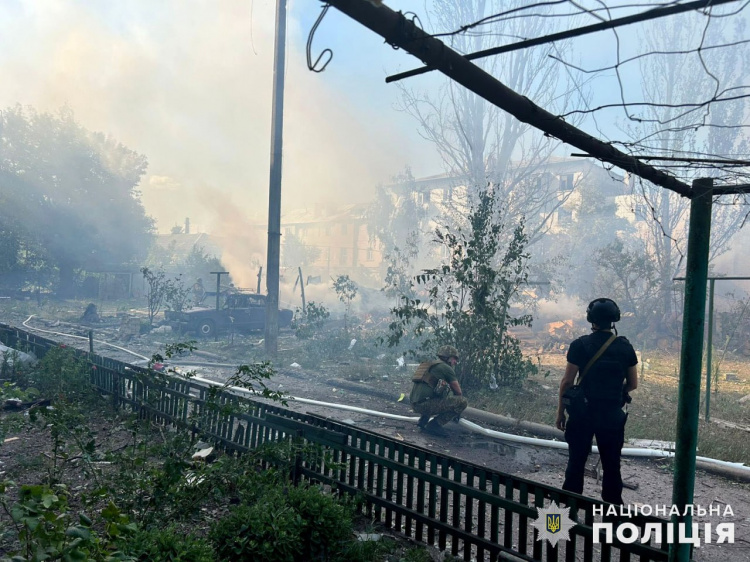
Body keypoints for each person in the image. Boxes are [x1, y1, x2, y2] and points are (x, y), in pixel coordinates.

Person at [556, 298, 638, 505]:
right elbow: (633, 384)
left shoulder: (579, 345)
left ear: (590, 319)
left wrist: (560, 413)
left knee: (575, 464)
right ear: (614, 320)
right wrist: (613, 394)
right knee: (612, 468)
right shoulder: (625, 347)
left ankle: (569, 516)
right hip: (611, 415)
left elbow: (567, 382)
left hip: (582, 413)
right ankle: (613, 525)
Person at [410, 345, 468, 438]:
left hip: (414, 403)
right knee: (462, 402)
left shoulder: (431, 364)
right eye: (454, 359)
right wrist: (457, 412)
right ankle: (435, 425)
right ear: (447, 357)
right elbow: (458, 392)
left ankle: (423, 421)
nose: (455, 362)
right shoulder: (446, 368)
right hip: (424, 406)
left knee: (439, 392)